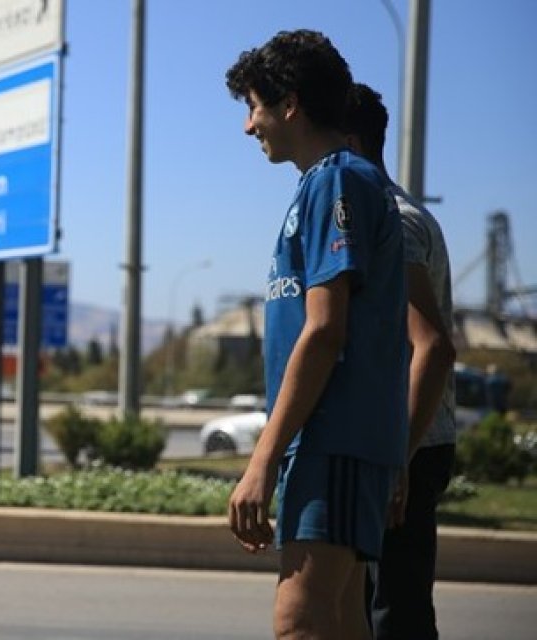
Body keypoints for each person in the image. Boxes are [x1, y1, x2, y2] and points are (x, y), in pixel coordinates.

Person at [224, 30, 409, 639]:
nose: (248, 127)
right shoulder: (321, 185)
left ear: (290, 105)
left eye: (254, 107)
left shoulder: (340, 181)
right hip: (331, 443)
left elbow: (327, 331)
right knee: (342, 622)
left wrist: (262, 459)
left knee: (299, 620)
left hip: (335, 439)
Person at [342, 82, 458, 640]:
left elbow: (432, 345)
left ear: (348, 141)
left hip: (408, 446)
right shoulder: (378, 214)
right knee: (369, 610)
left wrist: (397, 460)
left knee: (396, 616)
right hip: (394, 444)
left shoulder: (394, 218)